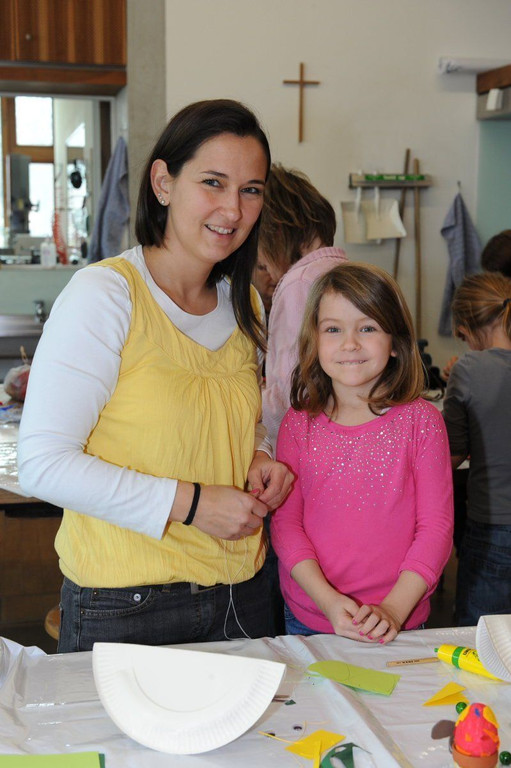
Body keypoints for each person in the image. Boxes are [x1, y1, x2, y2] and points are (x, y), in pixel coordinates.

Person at [17, 99, 293, 652]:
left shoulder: (246, 305)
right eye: (213, 182)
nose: (233, 209)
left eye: (250, 190)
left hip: (242, 593)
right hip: (125, 605)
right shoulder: (106, 295)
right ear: (163, 182)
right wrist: (191, 504)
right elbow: (43, 465)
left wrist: (258, 455)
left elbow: (236, 421)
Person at [271, 263, 454, 643]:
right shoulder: (298, 424)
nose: (350, 343)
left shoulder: (422, 422)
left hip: (400, 619)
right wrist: (327, 602)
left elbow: (436, 529)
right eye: (333, 329)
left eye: (367, 328)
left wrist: (394, 609)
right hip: (311, 617)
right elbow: (286, 526)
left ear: (395, 342)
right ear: (313, 340)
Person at [259, 163, 348, 450]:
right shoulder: (348, 272)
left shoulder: (298, 284)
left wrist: (248, 402)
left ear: (274, 235)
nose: (262, 263)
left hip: (307, 444)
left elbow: (291, 393)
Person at [442, 272, 511, 626]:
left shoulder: (469, 368)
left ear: (468, 327)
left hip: (494, 526)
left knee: (482, 638)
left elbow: (451, 456)